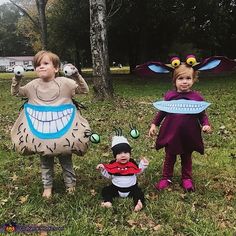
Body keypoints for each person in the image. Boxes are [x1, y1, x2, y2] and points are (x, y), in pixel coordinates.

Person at [11, 50, 91, 198]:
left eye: (45, 63)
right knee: (45, 162)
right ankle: (47, 187)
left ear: (56, 68)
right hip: (43, 135)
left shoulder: (65, 83)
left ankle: (70, 185)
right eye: (37, 65)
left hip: (63, 134)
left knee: (66, 160)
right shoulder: (32, 86)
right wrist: (17, 78)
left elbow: (84, 90)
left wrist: (76, 75)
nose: (41, 67)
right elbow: (16, 93)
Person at [149, 63, 212, 192]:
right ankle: (166, 178)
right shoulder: (170, 97)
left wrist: (205, 124)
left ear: (194, 79)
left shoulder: (197, 98)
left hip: (189, 134)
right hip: (171, 133)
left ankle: (186, 178)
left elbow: (202, 114)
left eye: (188, 78)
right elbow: (162, 112)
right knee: (170, 156)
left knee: (186, 156)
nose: (184, 82)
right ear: (175, 80)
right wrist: (154, 124)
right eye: (180, 78)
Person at [96, 135, 149, 211]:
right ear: (115, 156)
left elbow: (137, 171)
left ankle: (138, 203)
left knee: (139, 193)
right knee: (106, 190)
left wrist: (143, 165)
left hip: (132, 189)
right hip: (116, 188)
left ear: (129, 154)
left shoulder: (132, 163)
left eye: (126, 152)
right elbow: (109, 175)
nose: (123, 155)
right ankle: (108, 201)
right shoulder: (112, 164)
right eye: (119, 153)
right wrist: (103, 169)